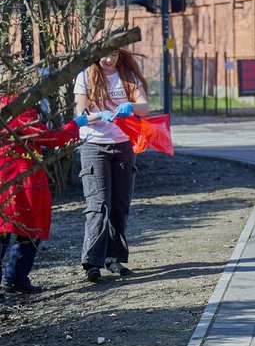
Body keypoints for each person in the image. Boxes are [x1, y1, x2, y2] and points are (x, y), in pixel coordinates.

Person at [1, 70, 86, 294]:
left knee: (10, 227)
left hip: (13, 173)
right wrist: (75, 125)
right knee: (25, 227)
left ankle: (15, 278)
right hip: (21, 175)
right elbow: (48, 137)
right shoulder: (17, 107)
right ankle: (14, 277)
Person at [74, 44, 150, 282]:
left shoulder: (128, 75)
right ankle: (92, 262)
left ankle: (113, 259)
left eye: (114, 54)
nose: (109, 59)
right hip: (94, 146)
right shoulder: (85, 76)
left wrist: (131, 107)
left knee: (119, 204)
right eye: (104, 54)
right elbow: (80, 116)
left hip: (123, 146)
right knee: (98, 205)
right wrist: (99, 115)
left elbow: (144, 108)